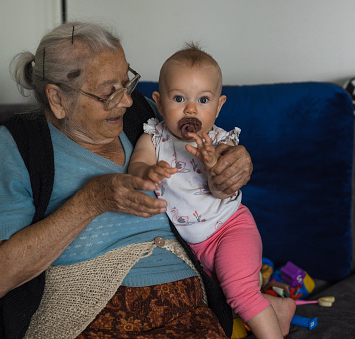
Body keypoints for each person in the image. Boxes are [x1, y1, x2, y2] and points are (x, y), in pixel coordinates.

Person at [0, 22, 253, 338]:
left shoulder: (145, 118)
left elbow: (211, 152)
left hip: (188, 311)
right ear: (57, 99)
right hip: (84, 316)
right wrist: (91, 201)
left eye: (127, 82)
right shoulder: (18, 144)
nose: (127, 101)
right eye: (109, 92)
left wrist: (236, 162)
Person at [128, 43, 296, 338]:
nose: (191, 109)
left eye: (203, 100)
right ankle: (277, 309)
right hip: (193, 247)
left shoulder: (220, 139)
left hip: (230, 229)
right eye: (179, 98)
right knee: (213, 301)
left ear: (218, 106)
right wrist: (147, 173)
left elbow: (223, 175)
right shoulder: (154, 136)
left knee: (240, 293)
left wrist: (212, 162)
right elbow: (137, 165)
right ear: (159, 100)